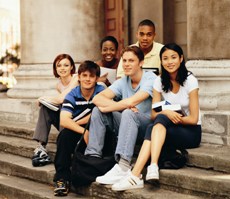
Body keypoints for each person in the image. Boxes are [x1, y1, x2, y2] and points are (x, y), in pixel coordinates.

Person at [111, 43, 202, 191]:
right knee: (158, 120)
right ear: (161, 61)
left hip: (190, 131)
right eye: (165, 58)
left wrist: (170, 116)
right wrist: (166, 113)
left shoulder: (190, 80)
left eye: (173, 57)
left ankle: (137, 174)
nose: (169, 62)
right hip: (165, 129)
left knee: (160, 120)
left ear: (181, 58)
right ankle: (148, 169)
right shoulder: (158, 81)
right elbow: (154, 114)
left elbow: (193, 119)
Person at [84, 46, 157, 185]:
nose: (126, 64)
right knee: (98, 110)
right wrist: (119, 106)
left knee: (128, 113)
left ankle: (123, 166)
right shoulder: (124, 80)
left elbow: (133, 101)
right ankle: (93, 158)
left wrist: (111, 107)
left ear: (141, 62)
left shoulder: (150, 78)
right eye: (124, 60)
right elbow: (97, 99)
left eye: (131, 61)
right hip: (127, 123)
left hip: (147, 127)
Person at [53, 60, 104, 197]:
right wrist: (84, 131)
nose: (87, 79)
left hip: (100, 128)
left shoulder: (101, 91)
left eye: (91, 76)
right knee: (64, 136)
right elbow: (64, 120)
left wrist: (87, 125)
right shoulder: (73, 94)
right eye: (84, 75)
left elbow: (102, 111)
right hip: (80, 130)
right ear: (79, 77)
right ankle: (61, 179)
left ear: (96, 78)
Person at [32, 53, 76, 167]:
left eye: (66, 65)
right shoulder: (59, 85)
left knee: (61, 105)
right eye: (59, 65)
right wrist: (44, 101)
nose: (62, 68)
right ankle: (41, 147)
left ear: (71, 67)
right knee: (45, 108)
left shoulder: (76, 79)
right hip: (65, 118)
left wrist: (42, 98)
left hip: (77, 120)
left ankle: (66, 148)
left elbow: (62, 99)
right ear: (55, 68)